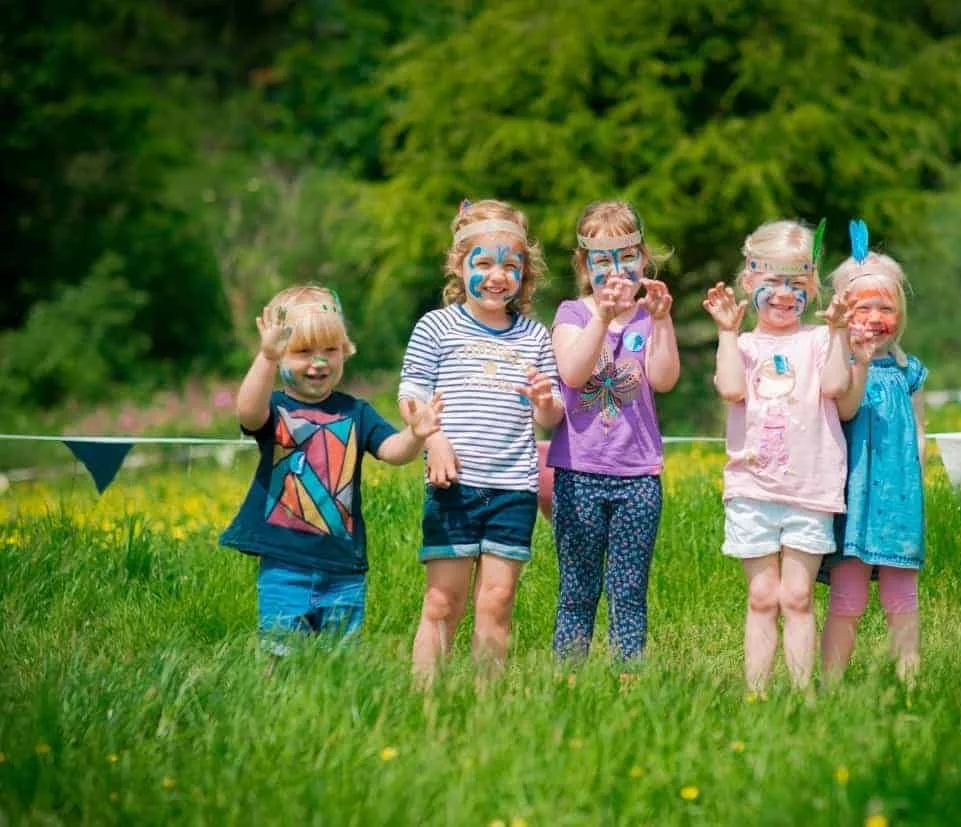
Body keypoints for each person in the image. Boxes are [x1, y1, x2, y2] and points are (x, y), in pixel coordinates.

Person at [221, 284, 442, 658]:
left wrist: (415, 434)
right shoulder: (274, 409)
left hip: (343, 568)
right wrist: (265, 358)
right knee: (279, 656)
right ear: (282, 358)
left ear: (345, 351)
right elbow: (247, 412)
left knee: (339, 663)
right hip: (284, 565)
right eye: (303, 352)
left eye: (330, 350)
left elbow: (392, 452)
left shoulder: (356, 412)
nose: (318, 363)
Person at [399, 199, 564, 683]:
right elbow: (411, 394)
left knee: (497, 600)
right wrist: (434, 442)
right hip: (454, 486)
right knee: (442, 600)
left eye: (511, 265)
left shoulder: (534, 335)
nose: (498, 276)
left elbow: (551, 414)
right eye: (485, 263)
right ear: (459, 265)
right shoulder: (436, 327)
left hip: (513, 487)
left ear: (524, 273)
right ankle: (424, 699)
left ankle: (485, 706)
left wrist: (544, 400)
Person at [702, 219, 854, 691]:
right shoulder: (744, 345)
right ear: (749, 281)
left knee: (799, 596)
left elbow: (834, 387)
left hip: (810, 490)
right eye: (772, 283)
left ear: (813, 286)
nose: (785, 295)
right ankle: (758, 696)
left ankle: (804, 696)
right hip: (753, 491)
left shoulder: (820, 339)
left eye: (797, 284)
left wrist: (842, 333)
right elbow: (730, 390)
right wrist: (728, 332)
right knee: (763, 596)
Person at [546, 201, 679, 663]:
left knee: (629, 590)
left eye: (627, 258)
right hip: (578, 471)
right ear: (585, 265)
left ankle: (628, 678)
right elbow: (573, 371)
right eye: (603, 261)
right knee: (578, 588)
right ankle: (568, 678)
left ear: (643, 259)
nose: (617, 271)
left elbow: (663, 378)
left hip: (638, 474)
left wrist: (661, 320)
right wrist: (602, 317)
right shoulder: (572, 314)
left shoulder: (648, 317)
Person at [819, 220, 928, 685]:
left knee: (902, 598)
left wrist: (916, 488)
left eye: (886, 306)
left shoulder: (909, 372)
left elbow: (921, 435)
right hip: (851, 498)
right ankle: (829, 683)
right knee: (847, 599)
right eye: (864, 307)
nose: (875, 317)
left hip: (898, 503)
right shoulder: (836, 367)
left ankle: (910, 682)